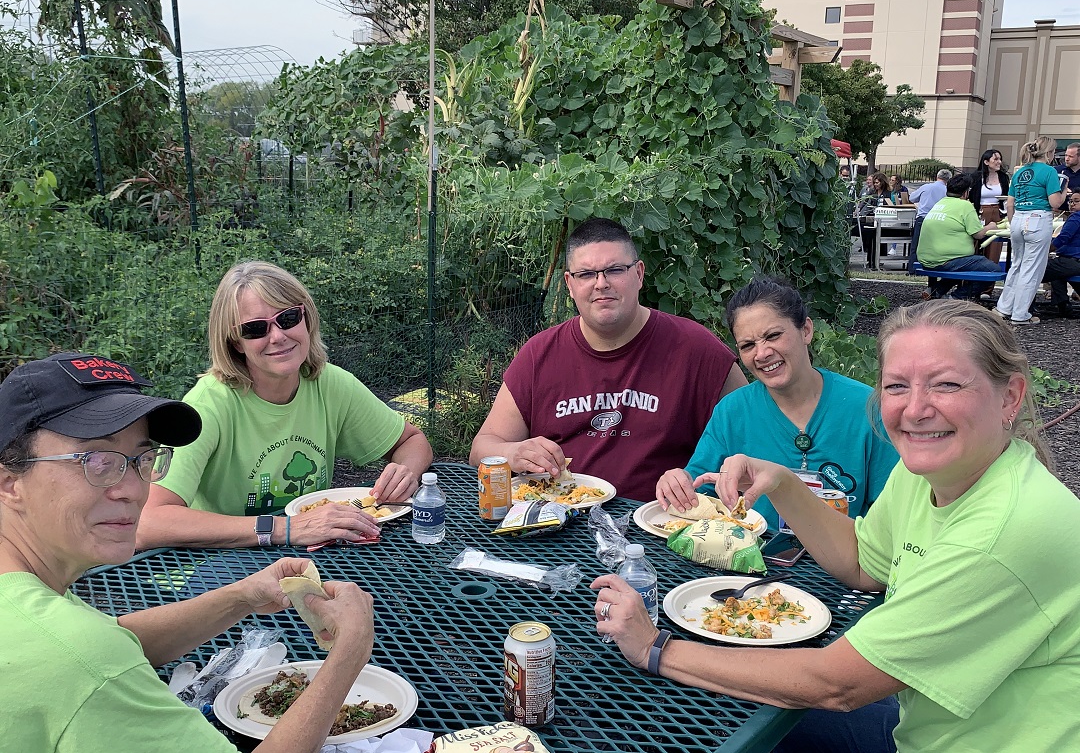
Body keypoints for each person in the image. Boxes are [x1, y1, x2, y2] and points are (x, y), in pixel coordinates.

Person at [593, 300, 1080, 753]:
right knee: (767, 725)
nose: (916, 407)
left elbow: (835, 685)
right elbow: (858, 562)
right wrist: (785, 484)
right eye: (898, 385)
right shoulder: (933, 471)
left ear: (1010, 397)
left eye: (947, 384)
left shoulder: (1005, 533)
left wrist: (656, 648)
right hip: (945, 751)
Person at [0, 351, 374, 753]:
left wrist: (242, 596)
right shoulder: (76, 659)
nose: (132, 489)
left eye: (140, 458)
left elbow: (115, 638)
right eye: (96, 460)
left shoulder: (30, 603)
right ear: (10, 483)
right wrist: (348, 653)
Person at [137, 261, 433, 551]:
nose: (278, 336)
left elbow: (412, 440)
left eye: (288, 318)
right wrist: (285, 529)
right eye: (255, 329)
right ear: (235, 342)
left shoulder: (330, 384)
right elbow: (149, 521)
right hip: (218, 561)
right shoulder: (209, 405)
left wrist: (404, 472)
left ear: (306, 319)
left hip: (310, 550)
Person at [469, 218, 747, 501]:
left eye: (614, 270)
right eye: (586, 274)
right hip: (558, 525)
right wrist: (513, 452)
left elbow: (752, 443)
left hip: (658, 529)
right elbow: (482, 448)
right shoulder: (538, 355)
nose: (601, 284)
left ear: (639, 274)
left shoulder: (698, 351)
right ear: (570, 283)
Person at [655, 276, 898, 534]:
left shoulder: (868, 409)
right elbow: (698, 490)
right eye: (748, 345)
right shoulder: (732, 412)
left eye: (773, 336)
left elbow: (892, 512)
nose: (762, 354)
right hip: (749, 561)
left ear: (806, 330)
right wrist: (676, 483)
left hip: (848, 566)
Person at [995, 135, 1067, 325]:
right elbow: (1055, 202)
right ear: (1050, 153)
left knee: (1017, 265)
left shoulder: (1020, 172)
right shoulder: (1050, 171)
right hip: (1037, 218)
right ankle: (1020, 314)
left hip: (1018, 218)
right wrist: (1064, 189)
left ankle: (1004, 307)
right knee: (1032, 268)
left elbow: (1010, 204)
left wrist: (1013, 223)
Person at [915, 172, 1002, 299]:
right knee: (993, 270)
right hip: (947, 260)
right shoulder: (965, 205)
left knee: (963, 267)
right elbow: (978, 234)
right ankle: (957, 297)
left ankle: (935, 291)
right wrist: (991, 226)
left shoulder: (940, 203)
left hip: (927, 258)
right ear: (966, 192)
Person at [1040, 188, 1080, 317]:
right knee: (1057, 271)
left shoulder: (1076, 217)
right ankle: (1062, 305)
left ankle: (1025, 305)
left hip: (1072, 260)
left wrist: (1045, 250)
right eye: (1070, 201)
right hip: (1072, 262)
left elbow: (1063, 238)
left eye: (1076, 201)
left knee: (1036, 269)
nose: (1072, 204)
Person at [907, 168, 952, 274]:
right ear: (949, 179)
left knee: (916, 245)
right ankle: (932, 268)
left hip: (923, 218)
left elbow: (912, 198)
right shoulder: (947, 191)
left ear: (937, 177)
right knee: (935, 247)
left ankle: (913, 270)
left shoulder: (926, 187)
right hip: (939, 220)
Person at [974, 148, 1010, 266]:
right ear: (986, 162)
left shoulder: (1003, 177)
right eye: (995, 159)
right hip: (980, 213)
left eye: (1000, 159)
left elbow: (1007, 196)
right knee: (977, 244)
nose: (999, 162)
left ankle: (990, 281)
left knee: (995, 246)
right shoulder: (976, 177)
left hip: (998, 213)